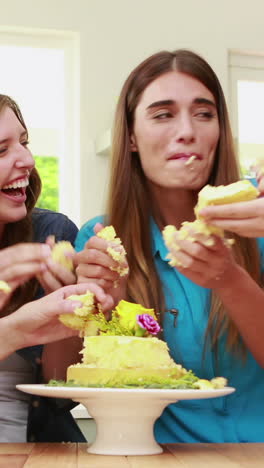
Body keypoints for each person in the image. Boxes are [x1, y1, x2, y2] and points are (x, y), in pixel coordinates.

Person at [75, 49, 264, 443]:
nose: (188, 131)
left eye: (204, 113)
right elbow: (96, 383)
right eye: (163, 114)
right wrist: (111, 309)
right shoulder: (99, 239)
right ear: (130, 136)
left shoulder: (258, 229)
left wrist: (229, 280)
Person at [0, 94, 83, 443]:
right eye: (1, 150)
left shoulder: (53, 234)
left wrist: (64, 314)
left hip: (39, 447)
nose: (29, 160)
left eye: (24, 142)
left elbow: (61, 391)